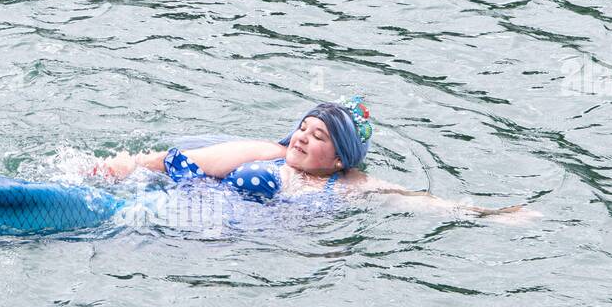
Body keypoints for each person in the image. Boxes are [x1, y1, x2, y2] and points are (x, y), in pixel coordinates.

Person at [92, 98, 529, 219]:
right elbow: (181, 163)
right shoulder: (268, 154)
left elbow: (419, 201)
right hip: (176, 205)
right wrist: (122, 167)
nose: (302, 138)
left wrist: (489, 215)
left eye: (317, 136)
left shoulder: (351, 187)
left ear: (340, 158)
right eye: (303, 127)